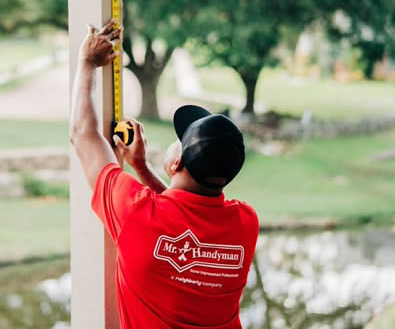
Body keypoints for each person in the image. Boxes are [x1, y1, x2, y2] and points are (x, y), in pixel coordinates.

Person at [70, 18, 258, 329]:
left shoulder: (135, 211)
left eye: (179, 139)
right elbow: (182, 221)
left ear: (176, 164)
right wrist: (141, 167)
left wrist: (87, 61)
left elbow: (83, 135)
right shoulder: (245, 224)